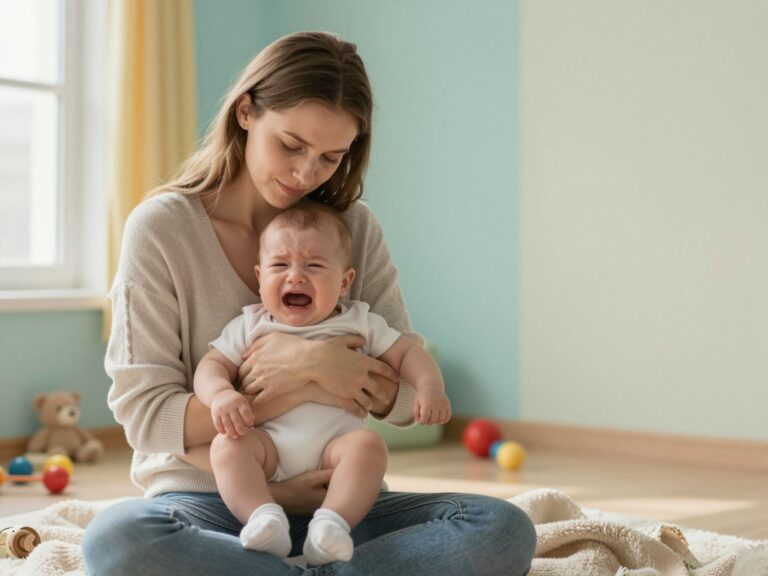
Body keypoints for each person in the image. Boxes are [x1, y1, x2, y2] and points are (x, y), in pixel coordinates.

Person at [82, 31, 536, 575]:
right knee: (118, 541)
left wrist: (325, 365)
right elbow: (147, 419)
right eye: (291, 145)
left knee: (501, 529)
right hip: (209, 504)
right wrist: (301, 377)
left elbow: (407, 392)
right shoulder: (162, 229)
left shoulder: (354, 229)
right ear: (246, 112)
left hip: (340, 506)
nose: (305, 174)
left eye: (330, 157)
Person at [193, 202, 451, 564]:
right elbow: (211, 365)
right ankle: (264, 518)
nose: (295, 277)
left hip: (335, 453)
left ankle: (331, 525)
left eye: (313, 265)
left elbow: (408, 355)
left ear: (345, 282)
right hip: (269, 449)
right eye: (280, 265)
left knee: (369, 446)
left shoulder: (360, 322)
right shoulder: (251, 324)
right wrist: (220, 394)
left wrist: (429, 388)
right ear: (259, 276)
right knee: (227, 447)